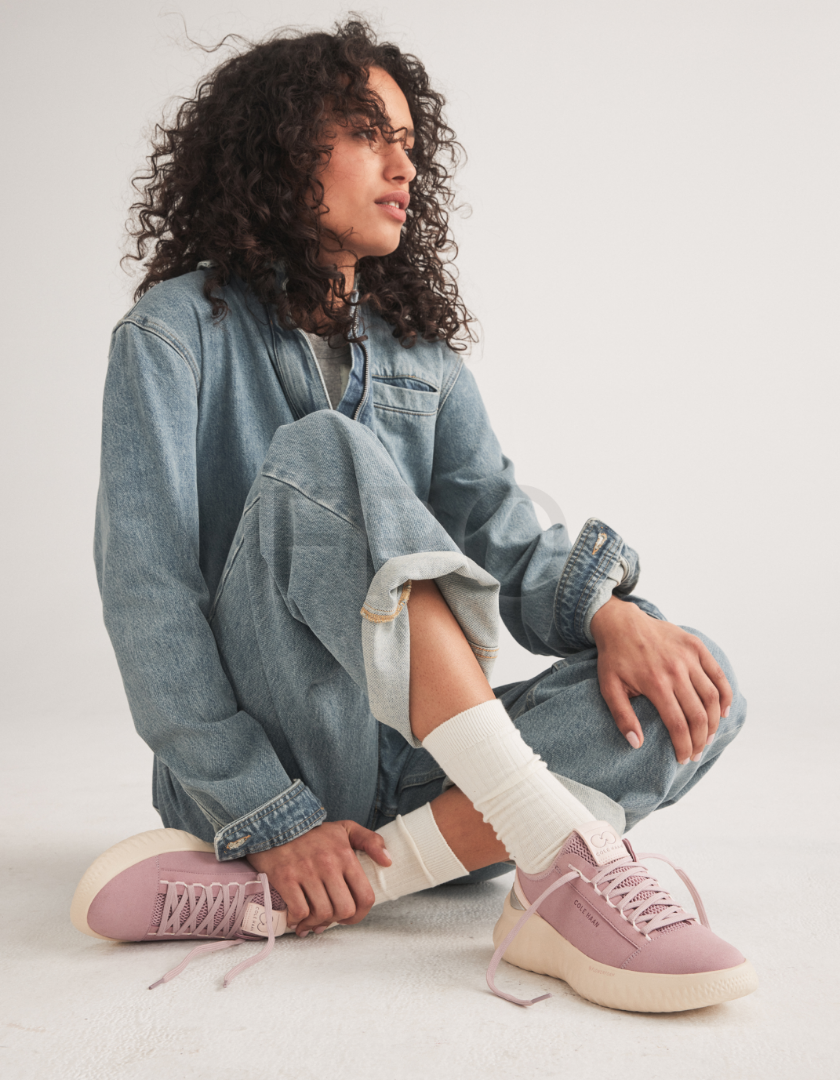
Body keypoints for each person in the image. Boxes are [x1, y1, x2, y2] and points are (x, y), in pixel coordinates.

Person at [71, 19, 757, 1011]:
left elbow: (512, 551)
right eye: (366, 132)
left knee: (698, 680)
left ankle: (331, 887)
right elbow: (149, 597)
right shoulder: (172, 337)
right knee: (324, 451)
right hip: (250, 772)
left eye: (409, 142)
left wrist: (615, 616)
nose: (404, 165)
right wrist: (267, 813)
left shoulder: (422, 358)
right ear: (275, 150)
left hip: (416, 771)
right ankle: (555, 860)